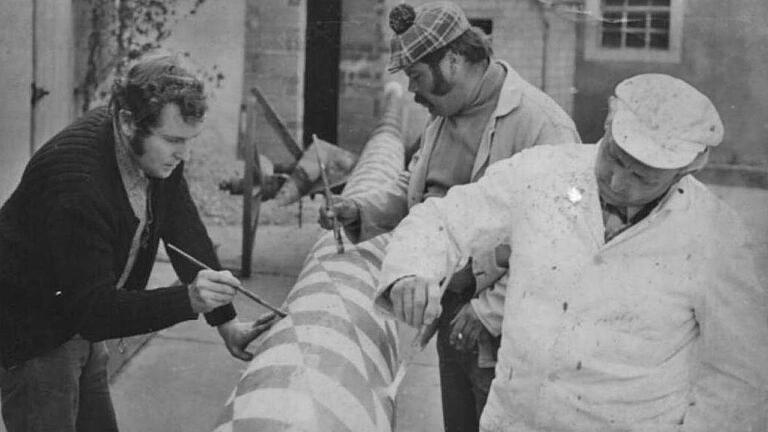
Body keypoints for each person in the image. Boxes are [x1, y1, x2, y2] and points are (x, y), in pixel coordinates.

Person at [375, 73, 768, 431]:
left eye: (642, 176)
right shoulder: (545, 174)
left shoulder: (715, 235)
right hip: (513, 420)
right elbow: (446, 217)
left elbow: (738, 374)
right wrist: (412, 270)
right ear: (606, 128)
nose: (617, 181)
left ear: (685, 170)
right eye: (613, 157)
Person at [318, 2, 580, 430]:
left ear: (454, 61)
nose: (414, 94)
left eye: (417, 77)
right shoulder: (446, 113)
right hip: (452, 310)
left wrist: (489, 311)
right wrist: (359, 210)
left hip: (509, 328)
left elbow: (566, 243)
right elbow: (418, 190)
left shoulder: (543, 126)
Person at [0, 55, 276, 432]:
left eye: (189, 141)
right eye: (174, 141)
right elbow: (95, 311)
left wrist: (227, 323)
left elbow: (184, 228)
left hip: (77, 319)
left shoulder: (147, 150)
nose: (184, 155)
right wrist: (188, 299)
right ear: (129, 122)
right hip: (33, 333)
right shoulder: (76, 183)